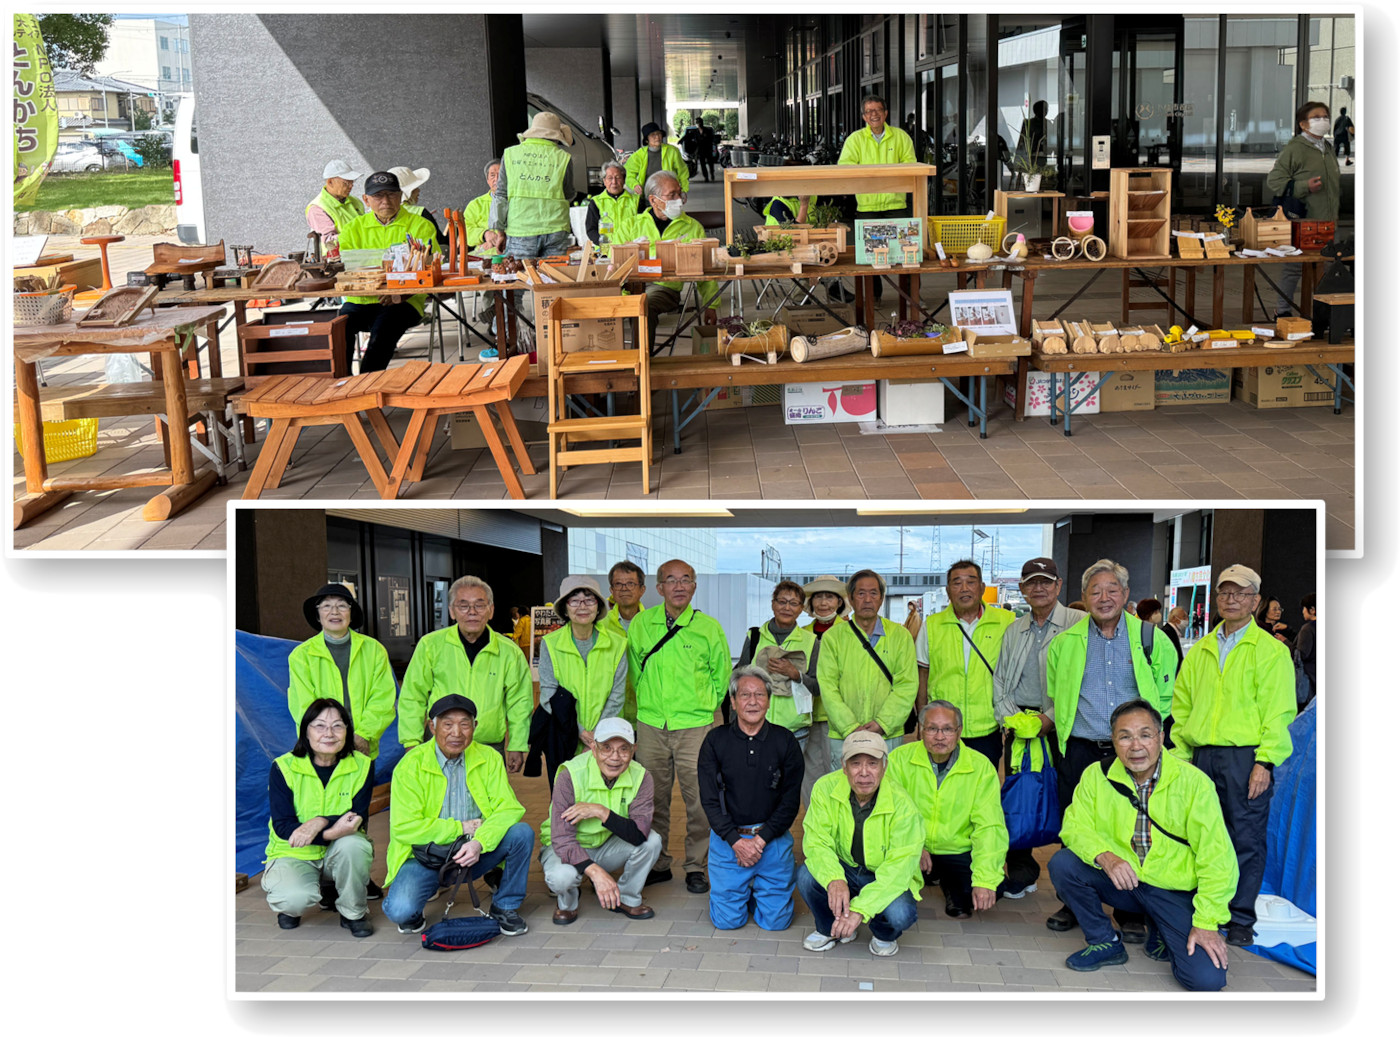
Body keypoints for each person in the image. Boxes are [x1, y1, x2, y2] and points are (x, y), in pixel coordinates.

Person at [1050, 699, 1234, 989]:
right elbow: (1074, 826)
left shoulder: (1194, 783)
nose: (1136, 746)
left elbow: (1218, 859)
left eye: (1145, 735)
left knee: (1205, 979)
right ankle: (1105, 942)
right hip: (1127, 881)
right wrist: (1106, 857)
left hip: (1173, 890)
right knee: (1063, 864)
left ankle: (1161, 930)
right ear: (1113, 740)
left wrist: (1207, 922)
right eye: (1125, 736)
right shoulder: (1096, 775)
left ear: (1161, 738)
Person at [1043, 559, 1176, 940]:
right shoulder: (1064, 644)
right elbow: (1056, 696)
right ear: (1083, 598)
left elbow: (1167, 697)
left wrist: (1147, 742)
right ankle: (1075, 899)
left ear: (1126, 594)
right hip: (1081, 749)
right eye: (1095, 591)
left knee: (1132, 827)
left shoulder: (1152, 639)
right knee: (1077, 825)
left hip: (1133, 752)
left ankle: (1128, 906)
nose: (1104, 598)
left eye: (1111, 590)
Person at [1171, 564, 1295, 947]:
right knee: (1198, 834)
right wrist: (1180, 752)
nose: (1231, 599)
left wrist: (1265, 761)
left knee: (1245, 837)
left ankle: (1240, 917)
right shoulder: (1200, 649)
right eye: (1225, 592)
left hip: (1246, 758)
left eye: (1240, 593)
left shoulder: (1271, 652)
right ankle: (1202, 908)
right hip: (1200, 754)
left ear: (1256, 601)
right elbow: (1182, 705)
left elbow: (1279, 711)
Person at [381, 694, 533, 936]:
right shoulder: (410, 765)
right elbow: (404, 827)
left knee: (521, 833)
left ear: (475, 727)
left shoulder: (490, 758)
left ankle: (505, 906)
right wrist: (460, 828)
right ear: (432, 726)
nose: (457, 732)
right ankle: (417, 901)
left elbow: (509, 808)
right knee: (400, 911)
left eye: (465, 724)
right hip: (426, 856)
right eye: (447, 724)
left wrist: (480, 842)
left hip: (474, 852)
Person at [626, 558, 730, 894]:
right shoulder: (642, 624)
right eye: (671, 580)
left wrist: (700, 707)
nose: (679, 586)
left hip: (695, 727)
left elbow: (721, 676)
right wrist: (650, 704)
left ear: (694, 586)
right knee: (652, 799)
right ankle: (657, 862)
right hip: (652, 724)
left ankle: (695, 865)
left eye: (686, 579)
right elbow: (634, 673)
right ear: (659, 588)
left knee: (700, 800)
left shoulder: (708, 628)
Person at [991, 558, 1085, 896]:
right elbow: (1000, 681)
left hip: (1064, 727)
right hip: (1019, 727)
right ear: (1022, 589)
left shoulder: (1078, 623)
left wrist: (1049, 718)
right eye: (1031, 582)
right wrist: (1012, 719)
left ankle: (1069, 883)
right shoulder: (1014, 628)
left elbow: (1081, 682)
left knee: (1067, 798)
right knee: (1020, 794)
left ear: (1059, 585)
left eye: (1046, 581)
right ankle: (1020, 871)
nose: (1039, 588)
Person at [797, 731, 923, 957]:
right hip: (844, 867)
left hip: (881, 874)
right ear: (844, 767)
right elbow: (817, 842)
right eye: (855, 764)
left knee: (901, 913)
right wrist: (834, 878)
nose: (864, 773)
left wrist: (859, 910)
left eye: (872, 764)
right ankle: (831, 929)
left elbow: (899, 868)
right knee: (806, 876)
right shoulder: (824, 788)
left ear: (884, 767)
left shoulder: (903, 804)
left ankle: (882, 933)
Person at [698, 666, 804, 931]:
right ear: (733, 702)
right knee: (727, 922)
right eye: (745, 695)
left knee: (776, 923)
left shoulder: (786, 741)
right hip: (728, 841)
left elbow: (790, 803)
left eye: (760, 695)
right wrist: (736, 842)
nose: (753, 701)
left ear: (769, 701)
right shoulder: (715, 741)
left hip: (772, 840)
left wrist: (759, 840)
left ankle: (758, 891)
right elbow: (710, 801)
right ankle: (739, 892)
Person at [262, 698, 376, 937]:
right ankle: (299, 900)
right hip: (294, 852)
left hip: (340, 848)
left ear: (347, 731)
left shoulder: (362, 765)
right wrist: (332, 832)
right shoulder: (284, 767)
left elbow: (357, 818)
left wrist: (319, 821)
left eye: (337, 726)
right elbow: (284, 826)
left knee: (354, 845)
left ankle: (352, 912)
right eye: (320, 726)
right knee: (294, 899)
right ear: (306, 731)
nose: (329, 733)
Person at [886, 702, 1009, 920]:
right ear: (921, 730)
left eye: (948, 729)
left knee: (993, 887)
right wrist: (915, 845)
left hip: (956, 850)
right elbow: (889, 812)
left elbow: (990, 826)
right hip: (912, 847)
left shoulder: (980, 767)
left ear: (959, 731)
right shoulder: (899, 759)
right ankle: (919, 878)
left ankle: (950, 884)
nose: (940, 736)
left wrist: (985, 880)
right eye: (932, 729)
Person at [398, 575, 532, 775]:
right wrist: (411, 741)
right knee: (437, 803)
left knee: (487, 804)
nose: (472, 612)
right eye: (463, 606)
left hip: (489, 745)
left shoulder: (509, 651)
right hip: (440, 744)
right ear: (452, 611)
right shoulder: (430, 645)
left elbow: (520, 702)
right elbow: (412, 697)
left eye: (479, 605)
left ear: (491, 610)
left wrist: (518, 743)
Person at [539, 717, 662, 924]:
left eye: (624, 749)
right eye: (606, 748)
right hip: (565, 848)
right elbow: (562, 838)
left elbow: (638, 834)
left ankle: (626, 897)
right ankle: (568, 903)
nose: (615, 757)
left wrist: (600, 811)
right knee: (561, 878)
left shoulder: (642, 776)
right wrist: (597, 874)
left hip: (605, 845)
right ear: (593, 748)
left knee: (652, 840)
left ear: (634, 750)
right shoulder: (570, 774)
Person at [336, 170, 441, 373]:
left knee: (382, 332)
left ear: (401, 196)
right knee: (338, 328)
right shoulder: (352, 229)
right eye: (378, 196)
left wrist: (401, 293)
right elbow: (347, 269)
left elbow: (429, 270)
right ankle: (342, 385)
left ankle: (368, 389)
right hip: (360, 300)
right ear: (366, 200)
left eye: (391, 194)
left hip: (405, 301)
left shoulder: (420, 226)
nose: (385, 201)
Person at [917, 559, 1015, 768]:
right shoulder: (932, 625)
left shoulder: (1006, 622)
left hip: (988, 726)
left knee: (981, 788)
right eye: (957, 583)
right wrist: (922, 723)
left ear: (981, 588)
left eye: (970, 582)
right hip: (941, 729)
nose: (964, 588)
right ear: (948, 590)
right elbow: (922, 675)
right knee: (940, 787)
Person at [816, 569, 918, 770]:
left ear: (881, 599)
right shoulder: (833, 638)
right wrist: (850, 727)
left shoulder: (900, 636)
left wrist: (882, 723)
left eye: (874, 593)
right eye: (861, 594)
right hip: (843, 735)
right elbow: (827, 686)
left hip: (887, 734)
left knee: (888, 791)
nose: (868, 599)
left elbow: (906, 684)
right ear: (851, 600)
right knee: (844, 791)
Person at [288, 583, 396, 761]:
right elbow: (302, 704)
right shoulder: (301, 656)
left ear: (351, 613)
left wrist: (363, 734)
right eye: (326, 606)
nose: (334, 612)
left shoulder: (374, 650)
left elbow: (383, 698)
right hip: (321, 745)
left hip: (361, 744)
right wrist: (328, 736)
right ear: (318, 615)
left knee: (360, 788)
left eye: (342, 606)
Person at [622, 170, 720, 352]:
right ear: (653, 200)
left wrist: (711, 305)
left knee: (643, 304)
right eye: (672, 195)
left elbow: (706, 268)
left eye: (679, 193)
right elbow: (614, 259)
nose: (679, 199)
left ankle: (641, 364)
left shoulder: (692, 227)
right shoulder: (631, 225)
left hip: (664, 288)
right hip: (631, 286)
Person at [1265, 101, 1341, 318]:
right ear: (1303, 124)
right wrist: (1303, 186)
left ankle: (1322, 314)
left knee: (1326, 269)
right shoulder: (1296, 149)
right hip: (1304, 220)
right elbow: (1274, 180)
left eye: (1325, 116)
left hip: (1328, 221)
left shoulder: (1327, 147)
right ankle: (1283, 311)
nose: (1323, 120)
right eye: (1316, 117)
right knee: (1295, 268)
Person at [837, 94, 915, 303]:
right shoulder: (855, 139)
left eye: (878, 110)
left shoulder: (901, 137)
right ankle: (874, 297)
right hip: (868, 205)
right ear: (864, 116)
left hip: (897, 204)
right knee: (871, 255)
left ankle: (910, 296)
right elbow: (844, 167)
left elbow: (911, 166)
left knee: (906, 253)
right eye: (869, 111)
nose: (874, 114)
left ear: (885, 113)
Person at [538, 575, 627, 753]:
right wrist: (579, 732)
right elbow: (548, 694)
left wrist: (597, 735)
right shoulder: (550, 643)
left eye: (589, 600)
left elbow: (617, 695)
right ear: (565, 608)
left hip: (607, 738)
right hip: (563, 735)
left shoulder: (618, 643)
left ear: (598, 606)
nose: (583, 606)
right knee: (564, 781)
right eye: (575, 601)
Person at [735, 580, 819, 752]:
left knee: (789, 779)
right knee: (753, 779)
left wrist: (795, 674)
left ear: (801, 608)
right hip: (754, 727)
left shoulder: (811, 641)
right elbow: (738, 679)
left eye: (793, 603)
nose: (787, 608)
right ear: (773, 604)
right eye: (782, 601)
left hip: (795, 731)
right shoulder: (755, 637)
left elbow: (819, 687)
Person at [484, 112, 574, 264]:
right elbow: (568, 194)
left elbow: (501, 195)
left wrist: (500, 232)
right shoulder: (563, 157)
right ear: (556, 136)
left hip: (521, 230)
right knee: (554, 281)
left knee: (520, 277)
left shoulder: (511, 154)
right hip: (556, 230)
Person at [798, 575, 848, 801]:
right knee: (810, 774)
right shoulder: (801, 633)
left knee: (839, 770)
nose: (824, 602)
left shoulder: (850, 631)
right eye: (818, 596)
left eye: (830, 596)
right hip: (806, 714)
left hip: (838, 715)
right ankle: (815, 822)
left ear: (839, 602)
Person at [600, 560, 647, 723]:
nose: (624, 588)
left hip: (646, 715)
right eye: (618, 584)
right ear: (612, 590)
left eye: (630, 584)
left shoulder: (654, 626)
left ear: (642, 589)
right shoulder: (600, 627)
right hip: (609, 714)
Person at [305, 158, 364, 256]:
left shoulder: (355, 202)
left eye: (352, 182)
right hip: (336, 261)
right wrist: (361, 235)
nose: (351, 186)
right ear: (330, 182)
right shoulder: (317, 208)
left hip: (360, 255)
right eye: (346, 183)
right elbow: (329, 241)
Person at [624, 121, 689, 198]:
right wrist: (634, 185)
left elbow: (683, 172)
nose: (657, 137)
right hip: (647, 196)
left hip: (669, 195)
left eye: (659, 134)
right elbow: (628, 174)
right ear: (647, 139)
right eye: (653, 135)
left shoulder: (672, 151)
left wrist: (683, 191)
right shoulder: (638, 155)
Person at [584, 161, 635, 245]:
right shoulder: (596, 202)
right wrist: (604, 244)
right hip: (605, 251)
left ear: (624, 179)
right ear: (604, 181)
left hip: (630, 248)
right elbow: (591, 229)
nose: (614, 182)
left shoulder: (636, 201)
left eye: (618, 177)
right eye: (610, 178)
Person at [460, 158, 501, 252]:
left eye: (501, 175)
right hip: (485, 256)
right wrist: (484, 234)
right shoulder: (475, 205)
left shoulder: (517, 201)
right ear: (487, 180)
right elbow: (466, 232)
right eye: (492, 175)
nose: (497, 179)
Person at [1137, 597, 1184, 673]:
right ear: (1149, 614)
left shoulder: (1155, 631)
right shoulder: (1156, 633)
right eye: (1156, 612)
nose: (1159, 614)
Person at [1293, 593, 1317, 707]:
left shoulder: (1308, 629)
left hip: (1308, 683)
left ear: (1312, 610)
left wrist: (1285, 643)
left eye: (1304, 608)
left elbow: (1301, 654)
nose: (1303, 611)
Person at [695, 116, 718, 182]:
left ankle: (712, 174)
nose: (699, 124)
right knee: (702, 165)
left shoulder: (707, 130)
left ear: (702, 123)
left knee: (710, 163)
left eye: (699, 122)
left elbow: (711, 139)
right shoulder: (696, 132)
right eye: (698, 123)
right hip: (700, 150)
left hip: (708, 149)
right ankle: (706, 177)